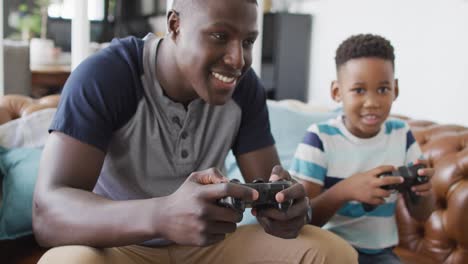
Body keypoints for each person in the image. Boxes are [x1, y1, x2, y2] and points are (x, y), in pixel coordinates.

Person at [33, 0, 358, 263]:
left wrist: (289, 210)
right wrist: (161, 215)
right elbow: (48, 214)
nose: (238, 59)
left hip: (208, 247)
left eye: (248, 42)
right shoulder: (107, 74)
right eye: (219, 36)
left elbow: (269, 193)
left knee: (330, 252)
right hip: (116, 247)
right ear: (175, 25)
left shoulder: (245, 90)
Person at [289, 34, 436, 264]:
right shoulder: (319, 138)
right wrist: (344, 191)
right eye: (359, 90)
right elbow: (300, 219)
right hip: (328, 250)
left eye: (383, 89)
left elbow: (422, 213)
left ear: (395, 89)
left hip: (380, 254)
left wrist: (424, 192)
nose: (372, 102)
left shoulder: (401, 134)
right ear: (337, 92)